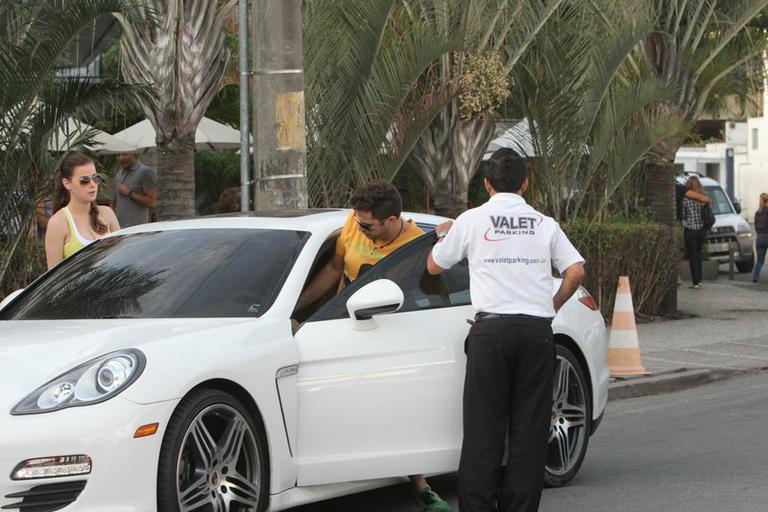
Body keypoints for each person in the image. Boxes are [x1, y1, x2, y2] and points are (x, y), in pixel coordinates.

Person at [426, 149, 585, 512]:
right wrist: (551, 305)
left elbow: (434, 267)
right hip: (536, 333)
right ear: (526, 182)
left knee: (484, 430)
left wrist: (443, 236)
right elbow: (575, 270)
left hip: (491, 334)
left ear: (485, 184)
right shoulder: (544, 223)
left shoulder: (472, 219)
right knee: (530, 432)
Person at [295, 181, 450, 512]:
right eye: (357, 220)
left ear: (392, 221)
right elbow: (335, 269)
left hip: (387, 331)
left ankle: (420, 485)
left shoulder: (415, 246)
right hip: (337, 328)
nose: (360, 228)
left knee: (396, 409)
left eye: (367, 225)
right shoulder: (353, 224)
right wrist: (297, 310)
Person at [45, 154, 119, 269]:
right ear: (67, 183)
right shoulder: (58, 223)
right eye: (84, 180)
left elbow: (123, 257)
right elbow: (53, 278)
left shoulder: (107, 213)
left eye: (96, 178)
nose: (92, 184)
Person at [111, 152, 157, 227]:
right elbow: (113, 203)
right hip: (119, 229)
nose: (121, 158)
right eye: (118, 155)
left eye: (125, 154)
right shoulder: (118, 175)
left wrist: (128, 193)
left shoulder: (145, 171)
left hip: (138, 230)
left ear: (134, 154)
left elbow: (152, 202)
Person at [681, 176, 711, 289]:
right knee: (698, 254)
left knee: (692, 256)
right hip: (701, 230)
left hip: (690, 230)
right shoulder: (704, 199)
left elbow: (683, 215)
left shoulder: (685, 199)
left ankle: (695, 282)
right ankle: (699, 279)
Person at [753, 192, 768, 283]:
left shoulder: (757, 213)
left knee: (759, 261)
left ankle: (755, 277)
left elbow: (755, 227)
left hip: (759, 238)